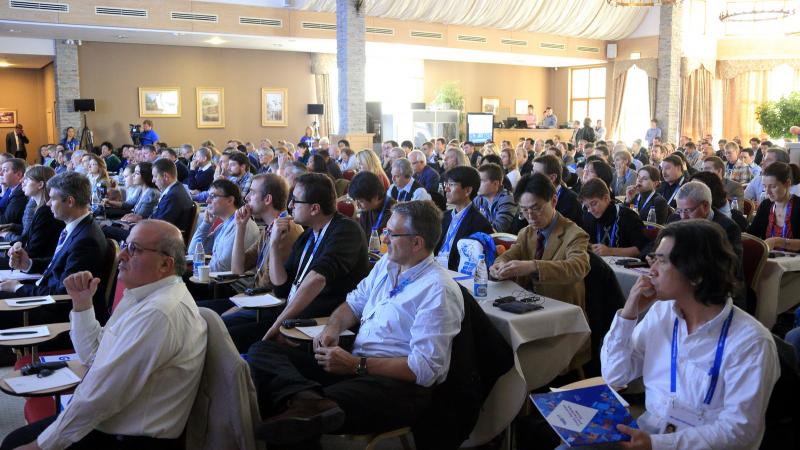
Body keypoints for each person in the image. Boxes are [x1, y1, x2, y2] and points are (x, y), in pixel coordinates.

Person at [247, 200, 464, 446]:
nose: (385, 239)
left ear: (417, 243)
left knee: (294, 418)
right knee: (263, 350)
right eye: (386, 231)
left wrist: (356, 365)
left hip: (396, 386)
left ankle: (307, 404)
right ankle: (307, 400)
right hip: (355, 365)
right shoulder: (387, 265)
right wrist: (333, 328)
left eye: (392, 234)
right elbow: (353, 304)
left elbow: (424, 369)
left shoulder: (438, 290)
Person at [1, 220, 207, 450]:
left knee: (14, 443)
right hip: (113, 420)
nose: (122, 256)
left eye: (134, 249)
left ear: (165, 264)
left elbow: (101, 397)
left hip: (131, 437)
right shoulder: (143, 295)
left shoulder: (158, 314)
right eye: (125, 245)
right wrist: (82, 304)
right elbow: (94, 355)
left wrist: (42, 445)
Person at [601, 220, 779, 449]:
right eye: (653, 259)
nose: (651, 270)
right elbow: (615, 376)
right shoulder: (662, 313)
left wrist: (657, 444)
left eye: (662, 261)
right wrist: (628, 315)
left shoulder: (751, 342)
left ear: (696, 275)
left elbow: (740, 432)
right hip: (650, 432)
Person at [263, 173, 369, 341]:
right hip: (290, 319)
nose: (290, 205)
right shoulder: (308, 236)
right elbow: (281, 286)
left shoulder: (346, 231)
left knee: (256, 350)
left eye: (295, 201)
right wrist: (274, 245)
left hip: (318, 328)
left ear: (314, 209)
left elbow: (318, 279)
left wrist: (277, 326)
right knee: (225, 325)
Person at [0, 172, 109, 325]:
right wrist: (28, 264)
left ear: (70, 201)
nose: (48, 203)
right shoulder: (78, 228)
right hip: (45, 298)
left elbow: (64, 293)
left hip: (54, 314)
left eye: (52, 198)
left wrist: (18, 288)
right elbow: (57, 266)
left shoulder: (86, 240)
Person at [491, 173, 590, 308]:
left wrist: (534, 266)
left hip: (561, 310)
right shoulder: (526, 232)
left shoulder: (574, 234)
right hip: (526, 306)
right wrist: (499, 265)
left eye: (536, 208)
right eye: (524, 210)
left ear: (554, 201)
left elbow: (578, 267)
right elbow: (509, 255)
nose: (530, 216)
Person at [189, 178, 259, 275]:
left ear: (230, 200)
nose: (207, 200)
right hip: (216, 281)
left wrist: (198, 273)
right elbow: (193, 252)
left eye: (213, 196)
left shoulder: (242, 225)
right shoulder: (224, 225)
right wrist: (206, 224)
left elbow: (223, 268)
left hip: (231, 286)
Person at [0, 165, 63, 268]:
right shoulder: (39, 209)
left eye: (27, 180)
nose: (22, 182)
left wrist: (17, 250)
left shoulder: (45, 212)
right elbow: (26, 238)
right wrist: (16, 245)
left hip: (33, 264)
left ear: (40, 185)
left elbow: (34, 250)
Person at [434, 166, 493, 270]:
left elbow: (475, 264)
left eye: (451, 185)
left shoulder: (479, 224)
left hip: (456, 276)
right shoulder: (443, 216)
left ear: (467, 190)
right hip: (436, 269)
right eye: (446, 184)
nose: (446, 189)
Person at [580, 178, 648, 258]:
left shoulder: (628, 216)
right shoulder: (588, 217)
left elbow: (641, 249)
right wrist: (589, 246)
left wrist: (610, 251)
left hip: (625, 268)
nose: (591, 210)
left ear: (606, 198)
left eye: (594, 204)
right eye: (587, 206)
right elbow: (583, 241)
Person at [748, 161, 800, 250]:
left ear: (787, 184)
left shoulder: (798, 206)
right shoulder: (765, 205)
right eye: (765, 186)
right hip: (770, 261)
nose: (767, 192)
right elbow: (752, 234)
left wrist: (778, 242)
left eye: (773, 186)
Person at [349, 171, 395, 236]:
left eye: (361, 201)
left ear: (375, 197)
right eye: (356, 200)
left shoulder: (392, 214)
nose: (357, 205)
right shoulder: (368, 207)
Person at [474, 163, 517, 233]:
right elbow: (467, 219)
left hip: (506, 242)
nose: (477, 184)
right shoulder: (479, 199)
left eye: (481, 181)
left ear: (495, 184)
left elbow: (499, 229)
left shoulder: (507, 199)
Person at [0, 158, 28, 226]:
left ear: (18, 175)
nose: (1, 173)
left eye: (5, 170)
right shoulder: (12, 188)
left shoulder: (20, 193)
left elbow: (6, 221)